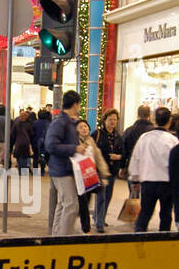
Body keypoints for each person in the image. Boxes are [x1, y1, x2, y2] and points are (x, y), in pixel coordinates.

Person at [129, 106, 178, 232]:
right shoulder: (173, 140)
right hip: (167, 182)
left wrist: (134, 179)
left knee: (145, 213)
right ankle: (163, 239)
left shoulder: (144, 138)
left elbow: (135, 158)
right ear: (169, 121)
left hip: (148, 181)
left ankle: (139, 238)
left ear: (154, 119)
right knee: (166, 214)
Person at [45, 91, 87, 236]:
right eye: (79, 105)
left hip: (63, 169)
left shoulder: (67, 122)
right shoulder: (60, 122)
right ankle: (63, 239)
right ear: (75, 104)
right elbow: (51, 145)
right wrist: (75, 148)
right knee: (71, 205)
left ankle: (56, 235)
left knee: (63, 204)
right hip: (61, 170)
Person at [76, 118, 110, 233]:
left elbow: (98, 156)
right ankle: (86, 228)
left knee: (87, 200)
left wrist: (104, 172)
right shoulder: (75, 142)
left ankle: (81, 219)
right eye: (81, 127)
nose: (84, 128)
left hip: (91, 175)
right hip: (79, 177)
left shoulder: (91, 140)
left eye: (85, 126)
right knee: (83, 202)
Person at [94, 109, 123, 231]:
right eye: (110, 119)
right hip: (100, 170)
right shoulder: (98, 134)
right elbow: (94, 151)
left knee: (108, 196)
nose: (112, 122)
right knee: (101, 196)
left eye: (115, 119)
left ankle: (99, 217)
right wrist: (108, 156)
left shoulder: (118, 136)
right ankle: (99, 223)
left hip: (112, 170)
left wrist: (120, 157)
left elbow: (123, 152)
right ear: (104, 120)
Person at [122, 105, 154, 194]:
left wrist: (122, 167)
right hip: (149, 167)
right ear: (149, 115)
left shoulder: (129, 130)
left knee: (133, 195)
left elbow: (124, 149)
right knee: (147, 197)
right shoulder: (153, 132)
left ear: (137, 114)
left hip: (133, 165)